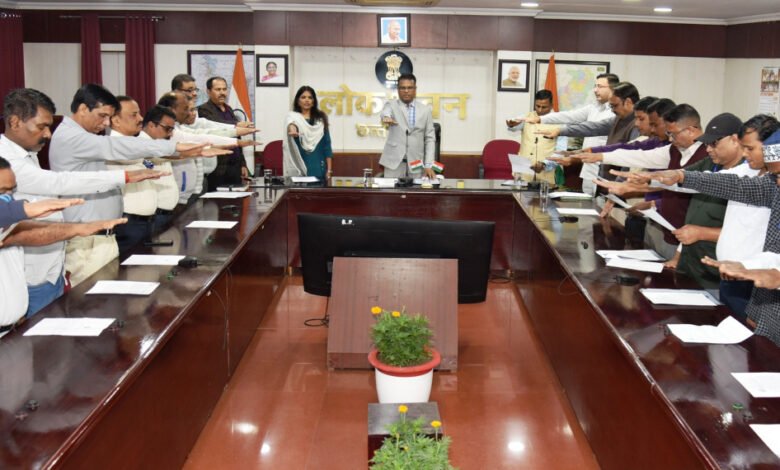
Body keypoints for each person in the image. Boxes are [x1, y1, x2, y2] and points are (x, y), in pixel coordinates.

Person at [0, 88, 164, 315]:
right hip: (29, 274)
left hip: (51, 268)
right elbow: (59, 182)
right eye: (41, 127)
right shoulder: (6, 160)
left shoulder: (30, 153)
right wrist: (122, 177)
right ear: (15, 122)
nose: (48, 134)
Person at [48, 84, 198, 286]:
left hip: (102, 236)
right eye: (102, 116)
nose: (106, 123)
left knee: (110, 300)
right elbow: (116, 146)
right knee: (92, 304)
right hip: (88, 240)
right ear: (83, 109)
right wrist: (174, 146)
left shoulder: (85, 137)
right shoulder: (71, 137)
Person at [0, 156, 126, 334]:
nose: (8, 199)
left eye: (11, 192)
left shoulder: (7, 224)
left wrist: (78, 229)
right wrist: (24, 209)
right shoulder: (9, 214)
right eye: (1, 192)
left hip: (11, 329)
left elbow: (26, 234)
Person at [523, 73, 619, 194]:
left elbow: (590, 129)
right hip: (588, 171)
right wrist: (541, 119)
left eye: (600, 86)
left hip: (606, 173)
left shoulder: (616, 113)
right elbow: (570, 116)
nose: (595, 90)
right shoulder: (593, 108)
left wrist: (560, 131)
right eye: (595, 86)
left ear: (613, 89)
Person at [197, 77, 250, 190]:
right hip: (218, 168)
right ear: (208, 91)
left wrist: (243, 164)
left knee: (237, 202)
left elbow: (236, 136)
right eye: (218, 89)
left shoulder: (229, 109)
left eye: (224, 89)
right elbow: (217, 124)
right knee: (216, 204)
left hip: (235, 166)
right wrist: (237, 124)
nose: (222, 93)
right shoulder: (203, 110)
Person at [379, 73, 436, 179]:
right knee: (391, 194)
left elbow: (430, 139)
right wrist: (386, 117)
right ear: (398, 89)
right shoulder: (391, 105)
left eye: (409, 88)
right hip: (393, 163)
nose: (406, 91)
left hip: (416, 163)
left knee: (416, 194)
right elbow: (385, 113)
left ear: (415, 89)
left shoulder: (425, 110)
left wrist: (428, 165)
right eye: (402, 88)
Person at [506, 89, 565, 184]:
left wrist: (545, 164)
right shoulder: (526, 117)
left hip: (546, 174)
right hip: (524, 174)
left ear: (551, 105)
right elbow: (513, 127)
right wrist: (511, 125)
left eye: (544, 107)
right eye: (537, 106)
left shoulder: (560, 122)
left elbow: (561, 151)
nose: (540, 110)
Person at [283, 86, 333, 179]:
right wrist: (292, 129)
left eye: (310, 97)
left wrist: (329, 170)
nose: (307, 100)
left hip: (318, 164)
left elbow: (327, 145)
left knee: (317, 192)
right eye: (303, 97)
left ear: (313, 101)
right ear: (298, 101)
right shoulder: (292, 117)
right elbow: (291, 125)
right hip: (299, 164)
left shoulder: (320, 120)